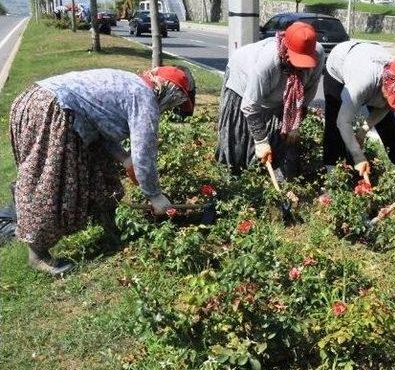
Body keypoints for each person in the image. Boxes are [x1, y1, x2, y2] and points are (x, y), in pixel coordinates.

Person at [10, 66, 195, 275]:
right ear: (170, 92)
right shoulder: (144, 98)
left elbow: (100, 126)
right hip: (52, 109)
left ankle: (109, 226)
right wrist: (155, 196)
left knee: (100, 168)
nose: (170, 110)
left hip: (37, 100)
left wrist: (124, 159)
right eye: (174, 104)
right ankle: (38, 255)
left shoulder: (132, 84)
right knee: (49, 182)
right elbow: (144, 154)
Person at [216, 22, 325, 178]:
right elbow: (249, 106)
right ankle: (232, 177)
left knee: (279, 140)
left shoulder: (318, 54)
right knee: (238, 140)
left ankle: (268, 177)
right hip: (242, 82)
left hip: (277, 96)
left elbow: (308, 91)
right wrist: (261, 141)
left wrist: (294, 124)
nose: (301, 67)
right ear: (287, 49)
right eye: (298, 60)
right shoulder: (267, 62)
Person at [323, 41, 395, 178]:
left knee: (388, 125)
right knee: (334, 123)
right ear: (385, 84)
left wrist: (363, 131)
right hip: (340, 60)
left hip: (369, 56)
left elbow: (387, 106)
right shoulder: (362, 84)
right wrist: (358, 157)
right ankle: (332, 175)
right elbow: (342, 122)